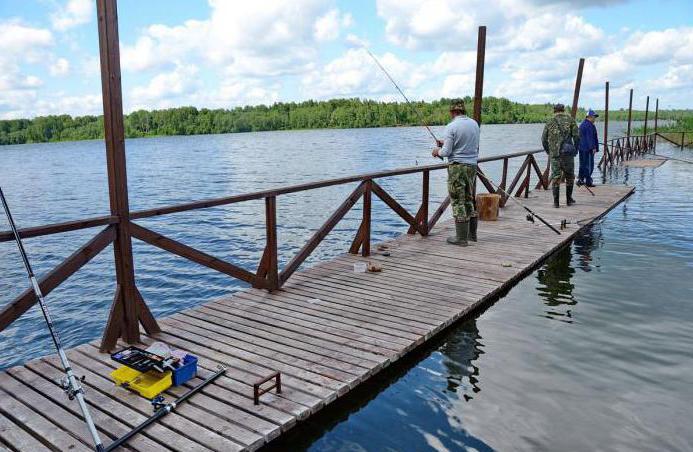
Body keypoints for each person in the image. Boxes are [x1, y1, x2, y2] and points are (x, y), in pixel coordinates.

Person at [432, 99, 480, 246]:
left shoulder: (451, 126)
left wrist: (436, 151)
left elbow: (446, 152)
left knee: (458, 201)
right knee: (468, 199)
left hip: (457, 168)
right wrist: (445, 143)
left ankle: (461, 238)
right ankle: (472, 235)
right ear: (463, 110)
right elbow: (465, 143)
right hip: (472, 167)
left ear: (452, 111)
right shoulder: (474, 124)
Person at [542, 103, 579, 208]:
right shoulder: (570, 119)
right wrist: (575, 149)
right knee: (570, 177)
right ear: (563, 110)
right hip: (568, 154)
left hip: (555, 155)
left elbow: (543, 139)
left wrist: (549, 151)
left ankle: (556, 203)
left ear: (554, 110)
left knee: (556, 177)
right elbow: (576, 136)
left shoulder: (550, 121)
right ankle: (568, 200)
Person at [578, 109, 599, 187]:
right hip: (588, 149)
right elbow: (589, 137)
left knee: (582, 165)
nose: (595, 118)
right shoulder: (589, 125)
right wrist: (593, 148)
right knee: (589, 166)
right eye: (594, 117)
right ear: (590, 117)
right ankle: (588, 182)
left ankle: (580, 180)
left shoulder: (582, 124)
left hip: (582, 148)